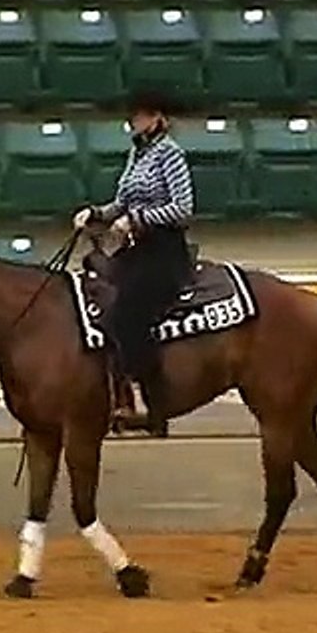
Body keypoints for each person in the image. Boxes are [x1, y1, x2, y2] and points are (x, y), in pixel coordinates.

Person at [73, 88, 196, 435]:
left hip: (163, 252)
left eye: (140, 115)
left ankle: (156, 404)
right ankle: (115, 396)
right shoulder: (137, 154)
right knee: (97, 296)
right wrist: (96, 213)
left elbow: (183, 209)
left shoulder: (170, 155)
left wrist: (138, 219)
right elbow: (121, 202)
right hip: (136, 249)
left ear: (158, 119)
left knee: (128, 312)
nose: (133, 120)